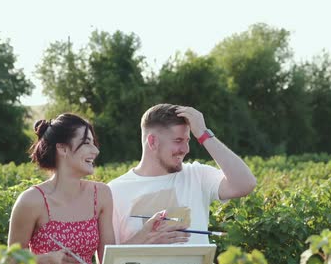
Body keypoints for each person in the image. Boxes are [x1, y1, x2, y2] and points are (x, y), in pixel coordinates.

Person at [7, 113, 115, 264]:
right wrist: (48, 259)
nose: (96, 150)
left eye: (94, 143)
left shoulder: (101, 195)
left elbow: (109, 260)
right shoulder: (31, 201)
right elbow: (11, 262)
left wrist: (147, 235)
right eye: (86, 143)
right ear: (62, 148)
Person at [108, 104, 257, 245]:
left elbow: (245, 184)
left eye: (187, 140)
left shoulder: (198, 175)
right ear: (153, 142)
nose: (186, 149)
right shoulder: (114, 191)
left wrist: (203, 134)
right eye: (178, 140)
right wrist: (142, 241)